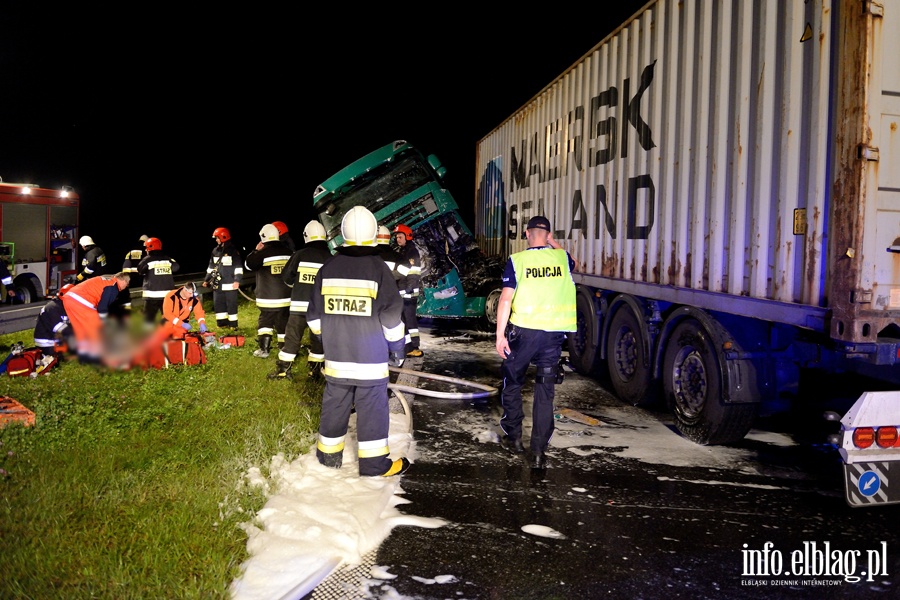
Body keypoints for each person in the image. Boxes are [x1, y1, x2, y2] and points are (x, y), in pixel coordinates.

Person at [307, 206, 409, 477]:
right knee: (373, 409)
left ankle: (328, 459)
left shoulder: (328, 267)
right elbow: (391, 319)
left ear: (342, 234)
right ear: (374, 233)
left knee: (335, 404)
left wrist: (328, 339)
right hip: (370, 360)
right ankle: (375, 465)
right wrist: (398, 349)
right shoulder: (378, 269)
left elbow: (314, 316)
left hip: (337, 358)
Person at [494, 215, 576, 470]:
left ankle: (514, 437)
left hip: (525, 334)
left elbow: (505, 299)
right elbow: (573, 262)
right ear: (548, 235)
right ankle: (539, 452)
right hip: (553, 336)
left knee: (512, 380)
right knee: (544, 390)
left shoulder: (518, 261)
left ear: (527, 234)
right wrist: (553, 242)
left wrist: (500, 335)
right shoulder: (561, 258)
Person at [269, 220, 331, 381]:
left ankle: (283, 370)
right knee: (318, 339)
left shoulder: (300, 254)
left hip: (299, 306)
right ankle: (315, 372)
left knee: (292, 337)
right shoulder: (331, 258)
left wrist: (298, 286)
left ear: (306, 236)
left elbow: (287, 278)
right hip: (321, 309)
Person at [60, 271, 131, 362]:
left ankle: (84, 356)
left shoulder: (106, 279)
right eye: (127, 284)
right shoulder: (113, 287)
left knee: (80, 330)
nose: (125, 287)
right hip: (82, 301)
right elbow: (102, 308)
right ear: (124, 281)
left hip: (68, 298)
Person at [244, 224, 291, 358]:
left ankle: (264, 350)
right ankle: (284, 348)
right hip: (287, 298)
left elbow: (248, 265)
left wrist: (256, 250)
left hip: (268, 298)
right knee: (283, 322)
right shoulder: (289, 252)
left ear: (263, 237)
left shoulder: (263, 253)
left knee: (265, 322)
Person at [202, 227, 243, 330]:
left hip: (230, 284)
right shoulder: (215, 251)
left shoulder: (233, 251)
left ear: (223, 237)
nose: (216, 240)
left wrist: (237, 280)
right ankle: (222, 324)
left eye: (217, 238)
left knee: (231, 305)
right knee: (218, 304)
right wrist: (206, 280)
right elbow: (211, 267)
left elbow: (238, 267)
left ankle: (233, 325)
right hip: (217, 284)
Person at [393, 224, 423, 357]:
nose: (398, 240)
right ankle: (409, 347)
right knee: (405, 321)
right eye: (397, 237)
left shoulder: (411, 252)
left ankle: (414, 347)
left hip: (409, 293)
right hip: (404, 291)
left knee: (410, 321)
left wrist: (409, 289)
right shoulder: (404, 251)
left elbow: (413, 273)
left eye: (400, 237)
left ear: (407, 236)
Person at [137, 237, 180, 328]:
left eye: (146, 248)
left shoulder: (147, 259)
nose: (145, 250)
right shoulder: (167, 259)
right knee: (167, 317)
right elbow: (176, 267)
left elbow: (140, 270)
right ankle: (167, 336)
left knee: (149, 319)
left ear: (150, 248)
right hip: (167, 295)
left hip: (152, 295)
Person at [33, 283, 74, 357]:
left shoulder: (61, 305)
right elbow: (59, 328)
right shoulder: (52, 308)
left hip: (54, 339)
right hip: (47, 343)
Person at [118, 234, 149, 315]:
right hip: (142, 275)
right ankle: (145, 308)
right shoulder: (146, 250)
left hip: (130, 276)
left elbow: (126, 264)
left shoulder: (131, 251)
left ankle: (127, 309)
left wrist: (125, 275)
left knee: (126, 293)